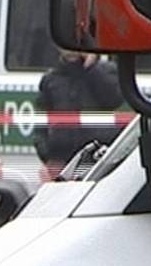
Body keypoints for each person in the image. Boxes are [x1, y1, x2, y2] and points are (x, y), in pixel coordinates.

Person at [34, 48, 126, 181]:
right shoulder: (51, 79)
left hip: (98, 157)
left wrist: (91, 68)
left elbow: (114, 100)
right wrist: (48, 156)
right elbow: (40, 123)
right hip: (62, 159)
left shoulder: (106, 71)